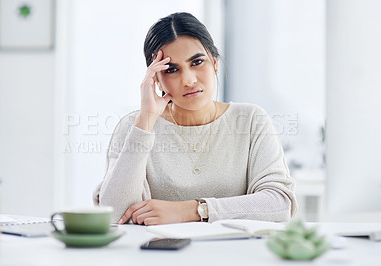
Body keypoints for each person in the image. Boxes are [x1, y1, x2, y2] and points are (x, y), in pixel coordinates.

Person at [93, 12, 297, 225]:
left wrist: (195, 209)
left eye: (197, 62)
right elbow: (115, 214)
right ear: (157, 80)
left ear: (215, 64)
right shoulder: (134, 126)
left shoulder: (250, 120)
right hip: (159, 257)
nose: (188, 80)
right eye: (172, 70)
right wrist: (145, 121)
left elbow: (279, 204)